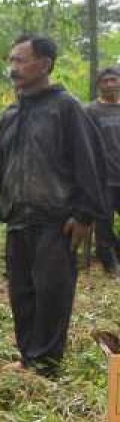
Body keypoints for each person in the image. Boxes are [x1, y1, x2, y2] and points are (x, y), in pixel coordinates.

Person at [0, 35, 108, 376]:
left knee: (52, 291)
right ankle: (28, 357)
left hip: (56, 219)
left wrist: (84, 214)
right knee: (21, 291)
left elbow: (88, 164)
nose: (13, 68)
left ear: (45, 64)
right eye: (11, 60)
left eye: (21, 60)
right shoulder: (11, 114)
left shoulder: (67, 109)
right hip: (19, 219)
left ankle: (46, 364)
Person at [86, 66, 120, 275]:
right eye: (105, 81)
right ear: (98, 85)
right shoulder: (90, 111)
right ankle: (110, 263)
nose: (109, 84)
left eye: (113, 80)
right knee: (104, 222)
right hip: (103, 177)